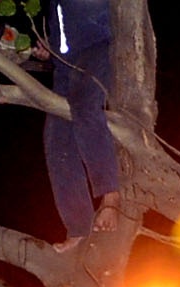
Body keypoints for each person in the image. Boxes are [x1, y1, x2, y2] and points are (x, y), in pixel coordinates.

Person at [42, 0, 121, 248]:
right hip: (64, 65)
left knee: (85, 107)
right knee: (57, 139)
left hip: (98, 46)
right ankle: (79, 227)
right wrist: (50, 49)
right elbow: (63, 26)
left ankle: (111, 198)